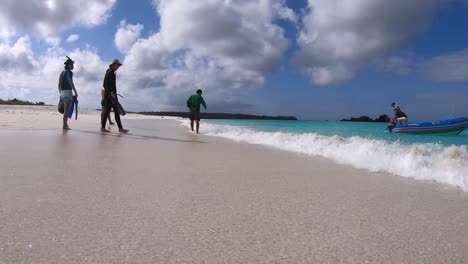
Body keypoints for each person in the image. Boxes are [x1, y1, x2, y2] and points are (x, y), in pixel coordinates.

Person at [100, 59, 129, 133]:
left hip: (110, 95)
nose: (118, 67)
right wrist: (111, 92)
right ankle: (119, 128)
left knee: (110, 112)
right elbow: (105, 84)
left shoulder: (111, 72)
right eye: (117, 65)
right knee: (113, 111)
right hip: (110, 96)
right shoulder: (110, 72)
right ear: (113, 65)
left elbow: (105, 84)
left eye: (118, 66)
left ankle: (117, 128)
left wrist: (111, 92)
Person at [58, 56, 78, 130]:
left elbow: (59, 84)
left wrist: (60, 92)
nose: (73, 66)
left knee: (65, 111)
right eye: (72, 64)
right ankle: (64, 126)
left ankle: (65, 124)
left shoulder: (62, 73)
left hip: (62, 93)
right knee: (66, 112)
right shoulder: (69, 72)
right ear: (68, 65)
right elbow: (70, 82)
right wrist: (75, 92)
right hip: (68, 92)